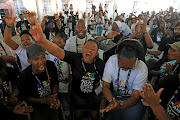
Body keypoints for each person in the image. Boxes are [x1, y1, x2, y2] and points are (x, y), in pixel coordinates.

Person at [29, 16, 106, 120]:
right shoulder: (75, 58)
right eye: (87, 47)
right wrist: (42, 40)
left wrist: (103, 99)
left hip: (94, 98)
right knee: (78, 116)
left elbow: (105, 84)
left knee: (95, 117)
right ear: (82, 49)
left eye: (93, 49)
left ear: (97, 53)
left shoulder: (101, 64)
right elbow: (57, 51)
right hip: (78, 98)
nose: (89, 50)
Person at [100, 39, 148, 120]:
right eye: (122, 67)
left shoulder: (142, 68)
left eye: (129, 68)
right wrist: (113, 102)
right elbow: (105, 86)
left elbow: (135, 97)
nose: (125, 70)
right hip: (115, 96)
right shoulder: (112, 61)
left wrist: (119, 106)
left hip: (132, 100)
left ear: (136, 59)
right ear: (117, 56)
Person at [18, 44, 60, 120]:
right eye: (36, 59)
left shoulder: (50, 66)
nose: (41, 62)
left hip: (51, 104)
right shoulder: (24, 76)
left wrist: (54, 98)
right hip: (36, 108)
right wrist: (45, 100)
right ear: (29, 61)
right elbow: (25, 97)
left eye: (43, 57)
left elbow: (55, 83)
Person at [47, 33, 72, 120]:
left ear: (65, 43)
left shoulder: (68, 57)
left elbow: (71, 77)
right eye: (54, 42)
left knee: (67, 110)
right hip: (54, 90)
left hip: (65, 90)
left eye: (59, 42)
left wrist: (69, 93)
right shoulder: (49, 56)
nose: (56, 44)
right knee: (56, 111)